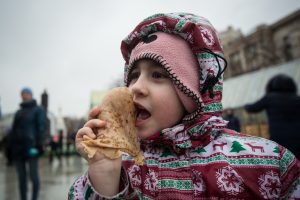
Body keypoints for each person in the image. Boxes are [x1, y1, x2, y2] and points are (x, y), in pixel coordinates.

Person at [68, 13, 300, 199]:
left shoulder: (267, 162)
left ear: (194, 91)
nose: (135, 88)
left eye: (158, 75)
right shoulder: (123, 165)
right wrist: (105, 177)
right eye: (134, 76)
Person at [245, 74, 300, 159]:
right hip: (297, 137)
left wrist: (246, 105)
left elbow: (252, 108)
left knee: (283, 161)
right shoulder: (297, 99)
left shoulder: (270, 98)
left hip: (279, 138)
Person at [9, 87, 46, 200]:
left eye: (25, 93)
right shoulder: (18, 112)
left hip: (32, 147)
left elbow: (41, 127)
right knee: (21, 178)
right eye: (22, 94)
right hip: (18, 148)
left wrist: (39, 145)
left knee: (33, 176)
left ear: (30, 94)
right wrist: (10, 149)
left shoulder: (38, 109)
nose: (23, 96)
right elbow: (13, 131)